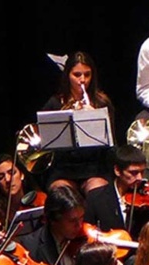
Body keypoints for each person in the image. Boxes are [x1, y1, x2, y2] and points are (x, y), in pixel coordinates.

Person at [41, 51, 112, 195]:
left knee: (98, 192)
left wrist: (94, 118)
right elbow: (46, 145)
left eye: (87, 74)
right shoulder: (55, 103)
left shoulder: (101, 103)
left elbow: (111, 145)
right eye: (77, 75)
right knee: (61, 193)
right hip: (64, 169)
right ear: (68, 76)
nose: (83, 80)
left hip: (93, 168)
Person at [84, 145, 149, 236]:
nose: (140, 178)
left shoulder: (146, 200)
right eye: (133, 173)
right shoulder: (96, 198)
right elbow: (88, 229)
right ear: (117, 170)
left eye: (142, 172)